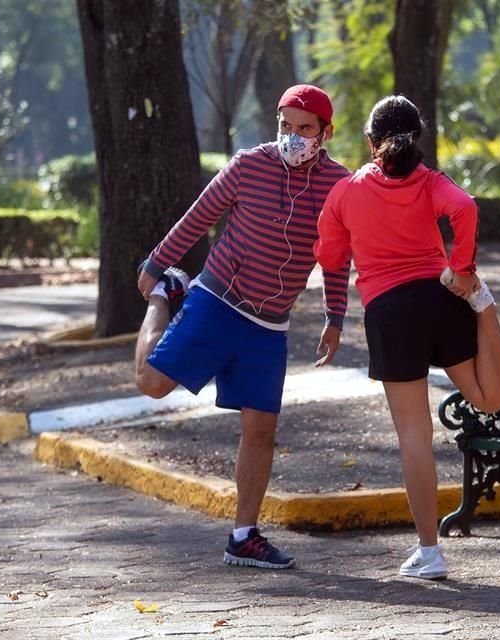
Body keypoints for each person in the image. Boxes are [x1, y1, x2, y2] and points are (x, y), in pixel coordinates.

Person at [135, 84, 351, 570]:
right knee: (151, 383)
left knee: (260, 431)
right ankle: (163, 299)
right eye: (285, 126)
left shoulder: (340, 185)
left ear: (325, 133)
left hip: (269, 326)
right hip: (216, 300)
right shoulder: (248, 165)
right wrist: (157, 264)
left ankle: (244, 536)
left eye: (304, 129)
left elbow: (336, 258)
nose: (292, 137)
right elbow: (198, 218)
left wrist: (334, 317)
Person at [314, 95, 500, 580]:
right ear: (417, 138)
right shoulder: (430, 182)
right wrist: (463, 269)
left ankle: (430, 553)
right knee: (489, 400)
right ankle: (483, 301)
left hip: (390, 312)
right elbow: (464, 208)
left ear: (369, 142)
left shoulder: (346, 191)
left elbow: (331, 255)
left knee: (414, 437)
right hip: (441, 299)